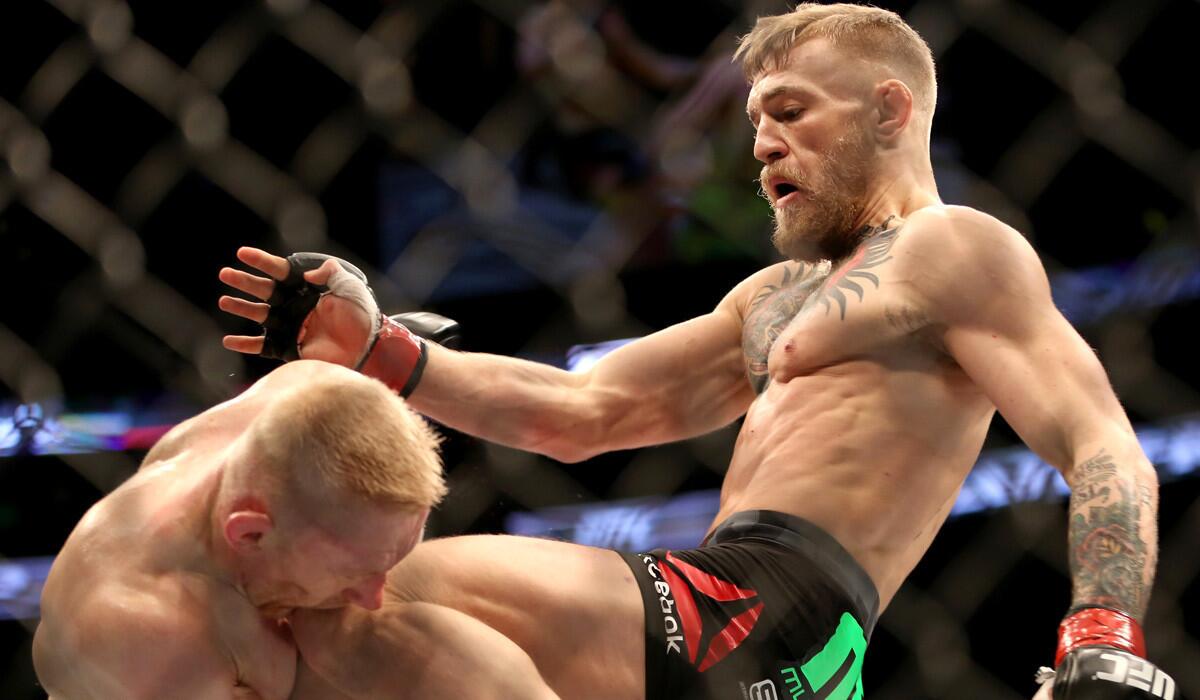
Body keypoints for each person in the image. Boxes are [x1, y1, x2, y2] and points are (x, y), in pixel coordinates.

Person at [220, 4, 1174, 699]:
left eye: (792, 112)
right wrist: (382, 348)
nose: (761, 148)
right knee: (328, 616)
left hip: (775, 599)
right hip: (758, 621)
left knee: (364, 590)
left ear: (890, 110)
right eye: (755, 122)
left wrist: (1105, 635)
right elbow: (581, 412)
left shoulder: (955, 246)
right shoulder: (767, 299)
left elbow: (1102, 445)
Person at [31, 360, 558, 699]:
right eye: (355, 571)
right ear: (252, 533)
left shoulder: (314, 390)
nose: (372, 597)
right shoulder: (153, 638)